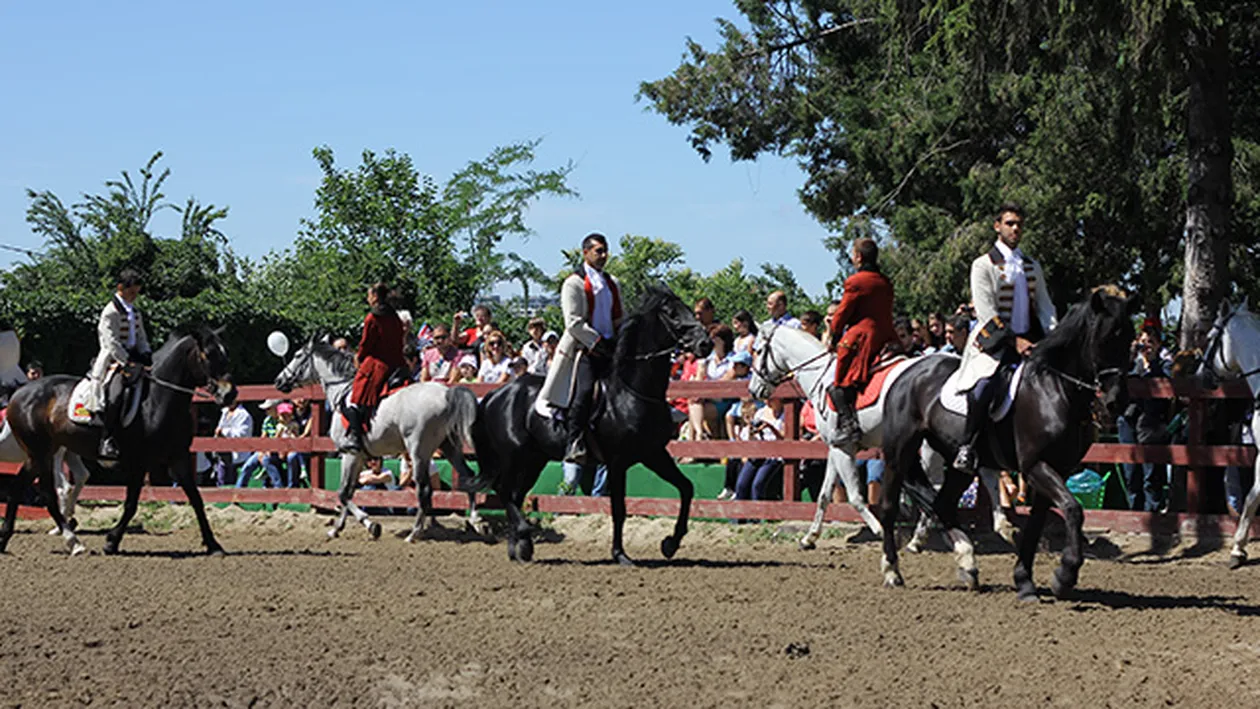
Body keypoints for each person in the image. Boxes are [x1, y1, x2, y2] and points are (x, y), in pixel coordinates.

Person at [953, 202, 1057, 473]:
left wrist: (1055, 339)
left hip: (1029, 343)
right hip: (993, 343)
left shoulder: (1032, 266)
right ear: (997, 226)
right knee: (983, 387)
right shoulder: (983, 265)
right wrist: (1014, 341)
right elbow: (988, 314)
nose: (1015, 229)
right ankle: (967, 446)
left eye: (1019, 224)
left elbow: (1046, 308)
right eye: (1010, 223)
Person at [538, 232, 624, 465]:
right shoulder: (573, 283)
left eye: (605, 250)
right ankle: (574, 441)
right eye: (598, 251)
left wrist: (622, 339)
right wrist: (597, 343)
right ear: (585, 253)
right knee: (584, 392)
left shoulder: (612, 283)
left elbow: (618, 317)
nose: (604, 255)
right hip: (583, 350)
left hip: (610, 347)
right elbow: (574, 322)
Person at [824, 238, 896, 444]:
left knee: (841, 381)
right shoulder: (885, 281)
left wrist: (834, 336)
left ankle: (849, 424)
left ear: (858, 257)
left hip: (864, 337)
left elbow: (842, 313)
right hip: (888, 335)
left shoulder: (855, 282)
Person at [88, 268, 153, 459]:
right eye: (132, 292)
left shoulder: (135, 311)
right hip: (113, 360)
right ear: (120, 288)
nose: (135, 296)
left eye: (137, 292)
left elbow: (141, 336)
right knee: (115, 395)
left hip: (135, 357)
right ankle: (107, 438)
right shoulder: (110, 312)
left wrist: (146, 353)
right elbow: (111, 342)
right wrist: (126, 361)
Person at [1118, 322, 1172, 511]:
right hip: (1130, 419)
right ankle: (1135, 512)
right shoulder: (1132, 364)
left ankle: (1153, 513)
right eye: (1143, 342)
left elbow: (1168, 385)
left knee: (1152, 473)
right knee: (1131, 472)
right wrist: (1131, 356)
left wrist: (1154, 361)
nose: (1146, 346)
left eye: (1151, 342)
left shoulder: (1165, 365)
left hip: (1152, 422)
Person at [346, 282, 405, 451]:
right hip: (399, 364)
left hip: (378, 364)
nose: (367, 298)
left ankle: (356, 438)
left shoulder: (372, 317)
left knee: (355, 399)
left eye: (369, 295)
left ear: (375, 296)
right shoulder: (395, 317)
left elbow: (366, 344)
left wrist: (359, 357)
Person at [213, 387, 253, 486]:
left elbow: (242, 434)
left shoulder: (244, 415)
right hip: (222, 450)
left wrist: (224, 432)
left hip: (236, 453)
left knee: (231, 480)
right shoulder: (224, 412)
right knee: (221, 477)